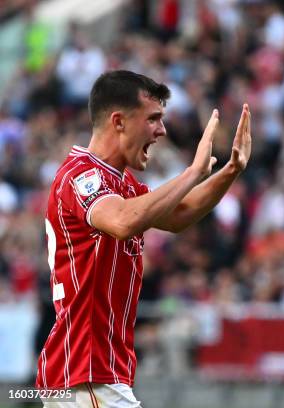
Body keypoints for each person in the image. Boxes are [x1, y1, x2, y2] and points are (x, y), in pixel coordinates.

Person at [36, 70, 251, 407]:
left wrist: (230, 171)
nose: (161, 130)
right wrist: (193, 172)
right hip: (85, 372)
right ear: (119, 121)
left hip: (98, 373)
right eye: (153, 119)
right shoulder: (81, 176)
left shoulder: (122, 184)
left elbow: (180, 214)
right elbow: (123, 222)